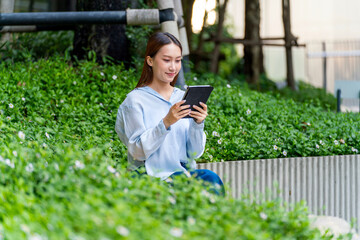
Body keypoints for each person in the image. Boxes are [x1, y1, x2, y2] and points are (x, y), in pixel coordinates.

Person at [115, 32, 224, 195]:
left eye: (178, 60)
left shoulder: (181, 97)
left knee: (210, 178)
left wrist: (198, 124)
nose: (173, 67)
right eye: (166, 60)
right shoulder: (135, 101)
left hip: (182, 175)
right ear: (150, 61)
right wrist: (166, 122)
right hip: (149, 177)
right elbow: (137, 152)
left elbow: (195, 152)